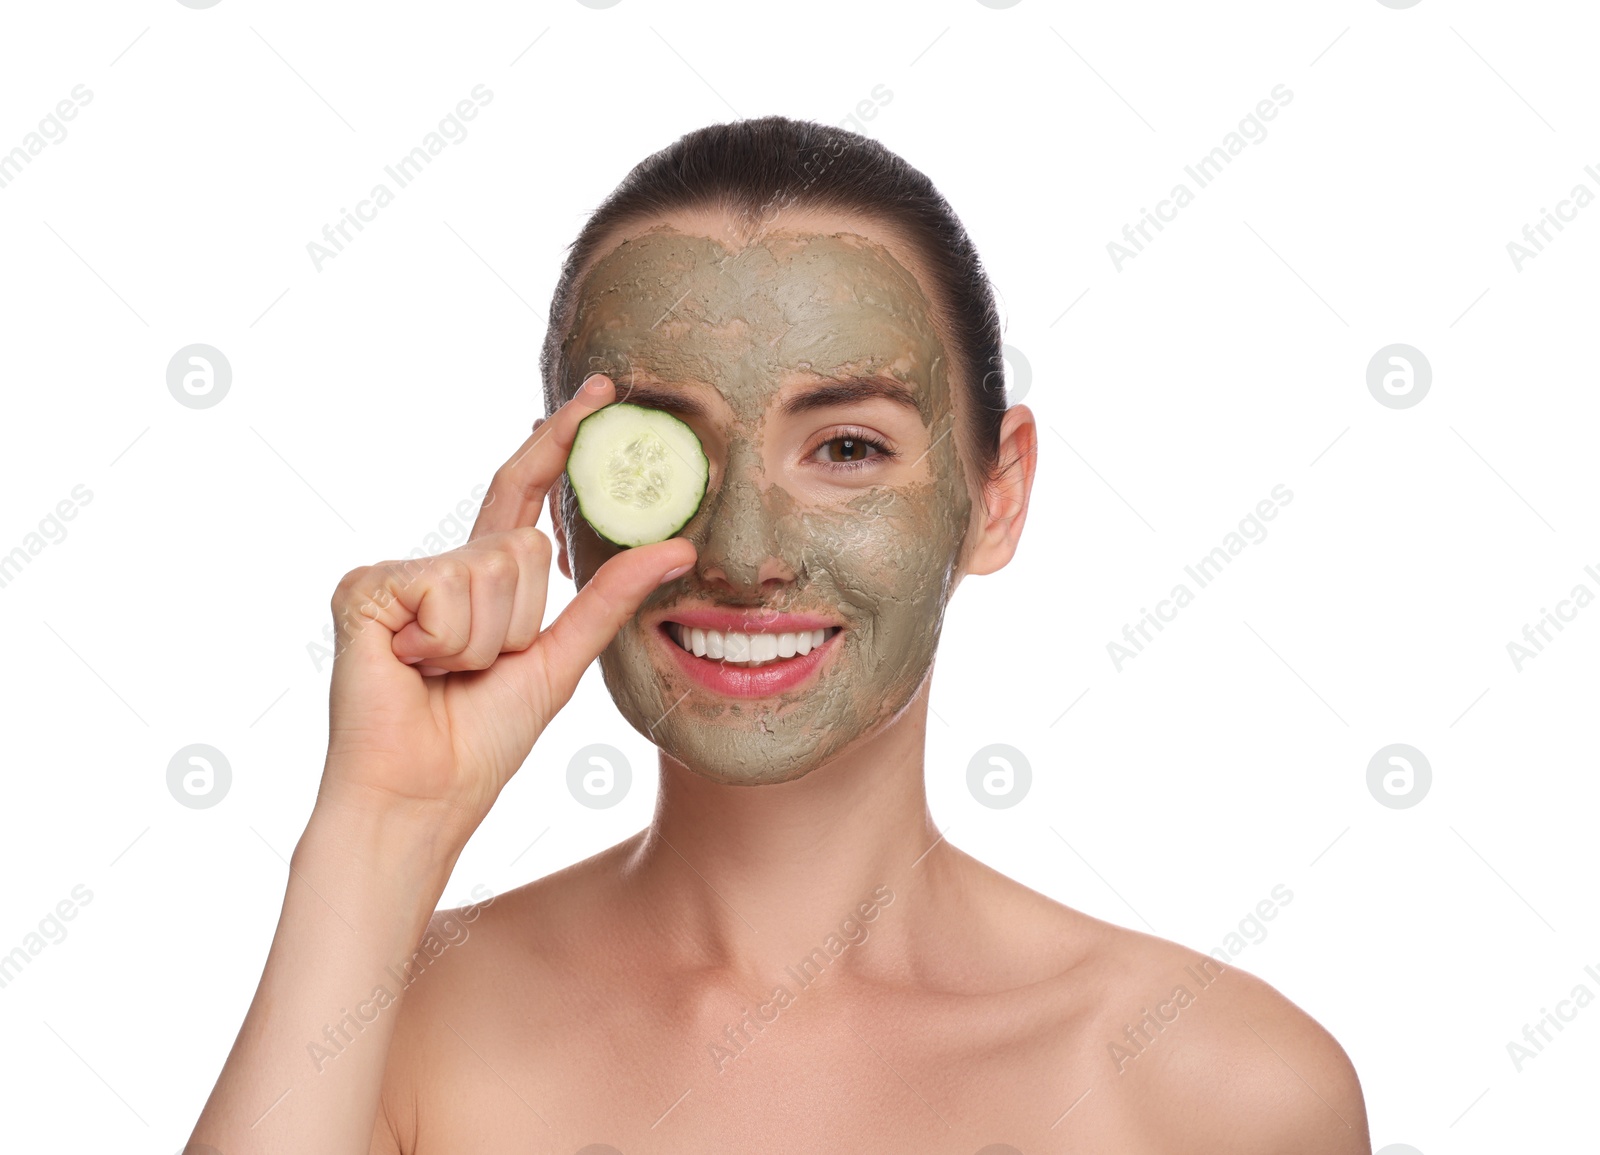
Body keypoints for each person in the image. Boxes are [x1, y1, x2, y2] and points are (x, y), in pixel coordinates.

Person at [189, 115, 1369, 1153]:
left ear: (995, 492)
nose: (744, 553)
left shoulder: (1222, 1091)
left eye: (846, 448)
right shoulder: (384, 1028)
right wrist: (380, 831)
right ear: (564, 497)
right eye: (663, 451)